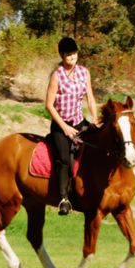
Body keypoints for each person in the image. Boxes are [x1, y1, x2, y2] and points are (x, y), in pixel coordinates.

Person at [45, 36, 98, 215]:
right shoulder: (56, 76)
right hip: (61, 125)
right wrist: (65, 128)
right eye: (68, 55)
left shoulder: (84, 72)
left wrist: (95, 118)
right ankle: (63, 199)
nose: (72, 58)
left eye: (74, 54)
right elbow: (49, 105)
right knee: (64, 159)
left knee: (96, 147)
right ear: (62, 56)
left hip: (79, 121)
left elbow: (89, 97)